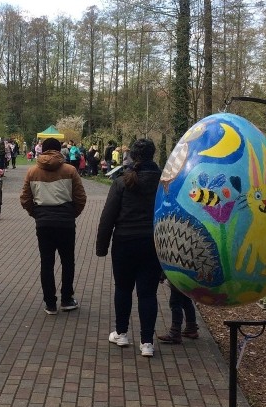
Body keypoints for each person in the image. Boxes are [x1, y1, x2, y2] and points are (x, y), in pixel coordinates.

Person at [95, 138, 162, 357]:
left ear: (132, 156)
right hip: (153, 244)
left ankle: (122, 333)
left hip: (124, 242)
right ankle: (147, 342)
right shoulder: (164, 183)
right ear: (153, 155)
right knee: (148, 294)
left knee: (123, 288)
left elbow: (108, 217)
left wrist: (102, 246)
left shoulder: (122, 182)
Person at [20, 137, 87, 315]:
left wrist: (37, 214)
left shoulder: (32, 171)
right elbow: (80, 197)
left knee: (47, 263)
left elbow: (25, 199)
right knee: (67, 262)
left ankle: (50, 303)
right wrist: (71, 214)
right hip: (65, 222)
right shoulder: (70, 170)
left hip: (43, 223)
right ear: (59, 150)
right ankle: (66, 299)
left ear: (43, 149)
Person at [159, 279, 199, 344]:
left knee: (175, 303)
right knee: (186, 300)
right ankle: (191, 327)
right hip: (188, 278)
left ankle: (175, 333)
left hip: (178, 278)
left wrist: (162, 275)